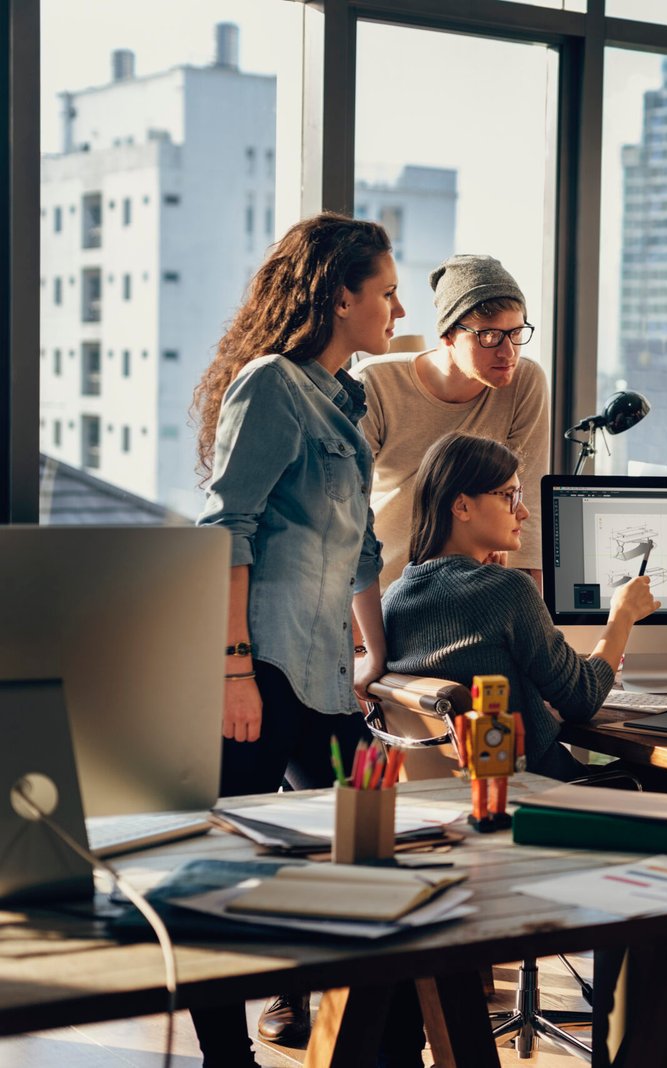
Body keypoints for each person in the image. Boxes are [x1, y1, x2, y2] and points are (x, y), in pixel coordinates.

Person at [191, 212, 402, 1065]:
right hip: (264, 664)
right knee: (215, 871)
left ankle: (371, 1046)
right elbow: (227, 528)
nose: (393, 308)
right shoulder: (271, 385)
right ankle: (225, 1055)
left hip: (323, 672)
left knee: (370, 847)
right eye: (383, 292)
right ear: (339, 295)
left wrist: (373, 653)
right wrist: (232, 668)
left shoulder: (347, 397)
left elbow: (362, 553)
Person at [382, 431, 660, 780]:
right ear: (462, 506)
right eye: (510, 497)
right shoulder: (508, 590)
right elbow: (582, 700)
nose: (525, 512)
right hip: (544, 794)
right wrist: (622, 615)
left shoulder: (394, 597)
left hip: (461, 802)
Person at [355, 254, 550, 591]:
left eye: (516, 333)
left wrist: (532, 613)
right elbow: (348, 512)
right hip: (385, 589)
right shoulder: (376, 384)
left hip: (472, 594)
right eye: (489, 336)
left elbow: (526, 498)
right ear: (448, 335)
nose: (508, 353)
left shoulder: (525, 381)